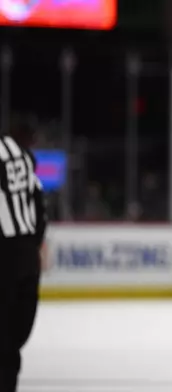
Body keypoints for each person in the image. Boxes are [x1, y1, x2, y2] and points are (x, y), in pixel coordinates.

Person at [0, 120, 47, 392]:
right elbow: (40, 210)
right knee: (12, 343)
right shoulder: (26, 160)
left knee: (5, 341)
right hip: (28, 257)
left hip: (6, 257)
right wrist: (33, 247)